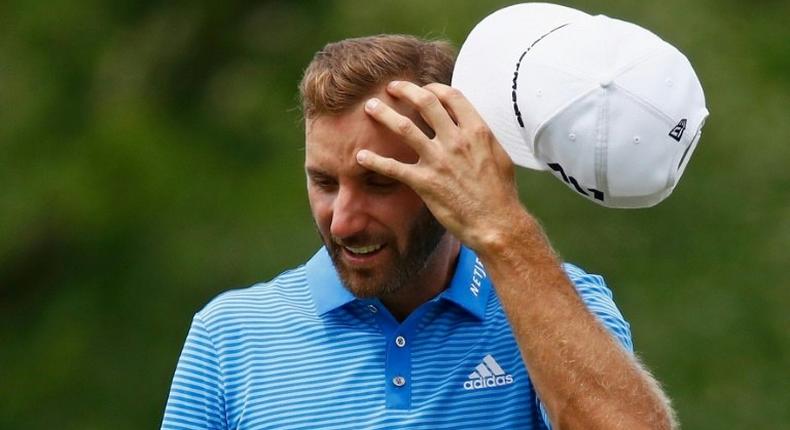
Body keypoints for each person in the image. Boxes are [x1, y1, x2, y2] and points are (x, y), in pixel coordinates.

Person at [161, 34, 676, 429]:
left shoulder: (565, 304)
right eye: (323, 181)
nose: (342, 220)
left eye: (379, 182)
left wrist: (503, 229)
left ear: (451, 172)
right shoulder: (229, 337)